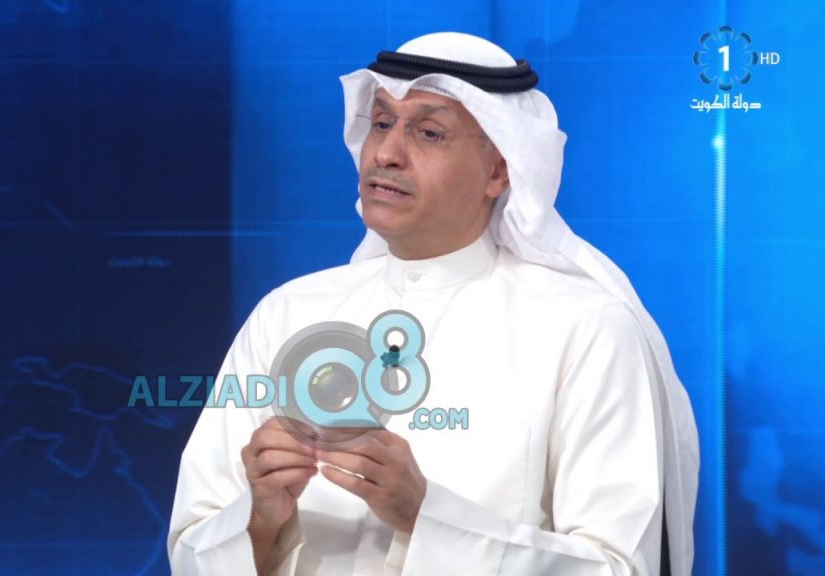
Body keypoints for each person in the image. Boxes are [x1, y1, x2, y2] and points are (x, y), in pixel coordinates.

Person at [167, 32, 698, 575]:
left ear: (500, 170)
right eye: (381, 123)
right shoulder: (287, 314)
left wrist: (426, 516)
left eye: (428, 132)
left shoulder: (586, 327)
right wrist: (258, 521)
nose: (387, 153)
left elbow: (618, 566)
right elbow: (189, 549)